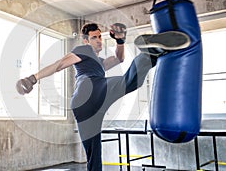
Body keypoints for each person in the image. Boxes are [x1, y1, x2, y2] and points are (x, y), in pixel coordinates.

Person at [16, 23, 190, 171]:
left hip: (86, 107)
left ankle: (150, 53)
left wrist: (120, 40)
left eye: (100, 37)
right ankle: (150, 53)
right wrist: (33, 78)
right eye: (94, 37)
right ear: (85, 40)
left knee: (93, 155)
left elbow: (118, 59)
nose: (99, 40)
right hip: (89, 90)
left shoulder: (97, 62)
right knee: (129, 82)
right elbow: (60, 63)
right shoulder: (83, 50)